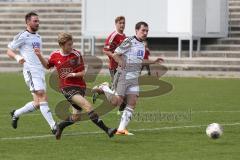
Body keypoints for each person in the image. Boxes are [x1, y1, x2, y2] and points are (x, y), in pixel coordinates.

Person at [34, 32, 117, 140]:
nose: (71, 46)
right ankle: (108, 130)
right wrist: (39, 55)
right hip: (66, 88)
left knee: (76, 117)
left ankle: (60, 126)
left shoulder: (76, 54)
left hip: (80, 87)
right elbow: (47, 66)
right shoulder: (55, 55)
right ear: (62, 45)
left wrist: (73, 74)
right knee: (88, 106)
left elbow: (83, 72)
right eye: (69, 44)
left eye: (71, 44)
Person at [92, 22, 164, 135]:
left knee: (132, 102)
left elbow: (139, 62)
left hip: (134, 78)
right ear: (136, 30)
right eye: (143, 30)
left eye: (147, 31)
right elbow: (115, 54)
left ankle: (121, 129)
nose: (145, 33)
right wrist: (121, 62)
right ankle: (104, 87)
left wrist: (153, 61)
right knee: (116, 102)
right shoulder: (129, 41)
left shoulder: (142, 45)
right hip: (124, 76)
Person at [7, 12, 57, 134]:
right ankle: (54, 126)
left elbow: (37, 55)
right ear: (28, 22)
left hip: (39, 71)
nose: (37, 23)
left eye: (38, 21)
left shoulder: (38, 37)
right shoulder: (23, 36)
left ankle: (16, 113)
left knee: (37, 103)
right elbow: (9, 50)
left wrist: (46, 64)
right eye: (35, 21)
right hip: (30, 71)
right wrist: (17, 57)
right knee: (42, 96)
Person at [99, 16, 127, 114]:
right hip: (114, 67)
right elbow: (105, 50)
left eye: (123, 23)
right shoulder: (114, 36)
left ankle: (122, 108)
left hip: (122, 68)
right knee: (116, 93)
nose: (122, 25)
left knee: (123, 90)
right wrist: (115, 58)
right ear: (116, 24)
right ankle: (104, 87)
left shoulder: (124, 37)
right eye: (120, 23)